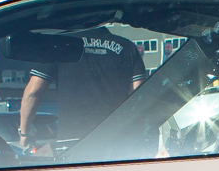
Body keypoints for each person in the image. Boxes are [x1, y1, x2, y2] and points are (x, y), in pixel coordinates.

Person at [16, 26, 145, 154]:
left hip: (72, 142)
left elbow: (33, 93)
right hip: (116, 141)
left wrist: (24, 133)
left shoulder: (58, 45)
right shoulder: (127, 47)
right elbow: (140, 96)